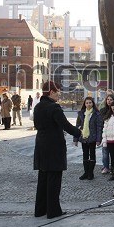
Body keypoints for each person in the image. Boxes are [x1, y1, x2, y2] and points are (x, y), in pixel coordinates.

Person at [33, 81, 81, 219]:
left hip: (41, 144)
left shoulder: (38, 107)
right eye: (58, 91)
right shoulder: (54, 108)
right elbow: (65, 125)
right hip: (53, 146)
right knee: (54, 178)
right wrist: (78, 133)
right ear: (51, 92)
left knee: (43, 178)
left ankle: (40, 210)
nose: (59, 94)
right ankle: (53, 211)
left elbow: (38, 125)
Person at [73, 97, 103, 180]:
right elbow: (77, 126)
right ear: (84, 104)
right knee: (85, 155)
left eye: (90, 102)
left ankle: (91, 173)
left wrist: (98, 139)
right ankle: (86, 172)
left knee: (92, 155)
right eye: (87, 103)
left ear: (93, 103)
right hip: (84, 137)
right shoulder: (81, 114)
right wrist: (75, 139)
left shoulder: (97, 114)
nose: (88, 104)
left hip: (92, 137)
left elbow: (99, 127)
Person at [99, 93, 114, 174]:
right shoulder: (102, 110)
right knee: (105, 152)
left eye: (111, 100)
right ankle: (106, 166)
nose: (109, 101)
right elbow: (101, 122)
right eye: (108, 99)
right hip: (105, 133)